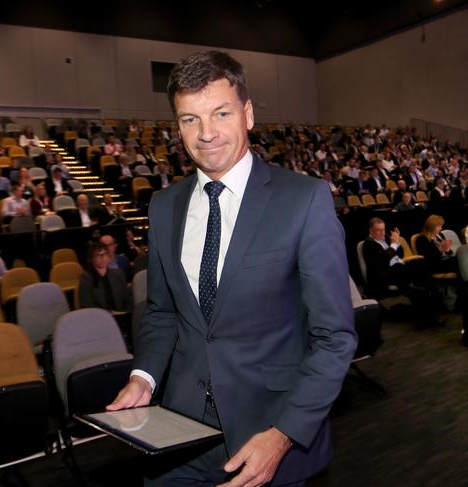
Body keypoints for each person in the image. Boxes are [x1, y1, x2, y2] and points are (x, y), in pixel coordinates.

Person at [107, 51, 356, 487]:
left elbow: (334, 338)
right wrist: (143, 376)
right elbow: (164, 312)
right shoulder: (163, 207)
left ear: (248, 113)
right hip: (178, 435)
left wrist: (282, 435)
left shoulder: (304, 200)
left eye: (220, 113)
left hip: (268, 435)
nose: (206, 134)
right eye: (189, 119)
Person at [77, 242, 132, 312]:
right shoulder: (85, 278)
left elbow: (128, 300)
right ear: (91, 259)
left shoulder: (118, 273)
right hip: (100, 319)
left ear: (109, 257)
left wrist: (125, 313)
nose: (102, 257)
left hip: (122, 316)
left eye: (104, 254)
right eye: (97, 255)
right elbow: (87, 306)